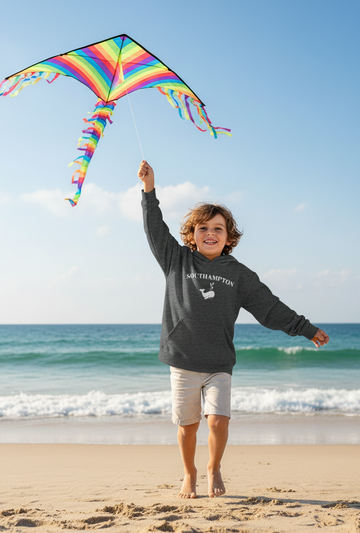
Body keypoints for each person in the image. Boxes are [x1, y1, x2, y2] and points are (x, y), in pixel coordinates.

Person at [137, 160, 329, 499]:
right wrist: (149, 191)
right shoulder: (176, 260)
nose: (210, 233)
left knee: (218, 421)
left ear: (229, 238)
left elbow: (270, 308)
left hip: (219, 362)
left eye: (218, 228)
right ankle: (189, 472)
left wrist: (306, 328)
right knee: (187, 426)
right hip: (182, 360)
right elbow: (154, 228)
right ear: (192, 235)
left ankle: (213, 467)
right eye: (203, 228)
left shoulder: (239, 275)